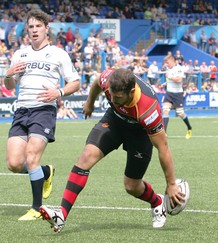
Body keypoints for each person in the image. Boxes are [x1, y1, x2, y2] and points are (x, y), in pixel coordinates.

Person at [39, 68, 185, 232]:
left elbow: (163, 148)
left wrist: (171, 183)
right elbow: (95, 83)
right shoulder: (108, 79)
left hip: (140, 133)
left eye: (118, 97)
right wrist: (90, 103)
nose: (113, 100)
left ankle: (157, 202)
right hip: (114, 121)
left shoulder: (148, 109)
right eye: (111, 95)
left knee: (131, 186)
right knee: (87, 156)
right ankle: (61, 216)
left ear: (131, 92)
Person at [4, 9, 80, 221]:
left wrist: (59, 92)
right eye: (31, 27)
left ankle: (37, 208)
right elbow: (10, 86)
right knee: (14, 164)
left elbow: (75, 82)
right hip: (21, 110)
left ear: (47, 29)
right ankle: (46, 172)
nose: (35, 30)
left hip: (44, 110)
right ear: (27, 30)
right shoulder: (20, 54)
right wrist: (8, 75)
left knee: (32, 157)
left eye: (39, 26)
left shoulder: (58, 54)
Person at [162, 55, 193, 139]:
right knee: (165, 111)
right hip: (169, 93)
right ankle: (164, 133)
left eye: (167, 62)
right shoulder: (168, 69)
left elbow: (179, 80)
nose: (166, 64)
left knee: (180, 113)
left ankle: (189, 128)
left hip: (177, 94)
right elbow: (170, 79)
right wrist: (165, 83)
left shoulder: (179, 68)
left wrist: (169, 76)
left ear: (172, 61)